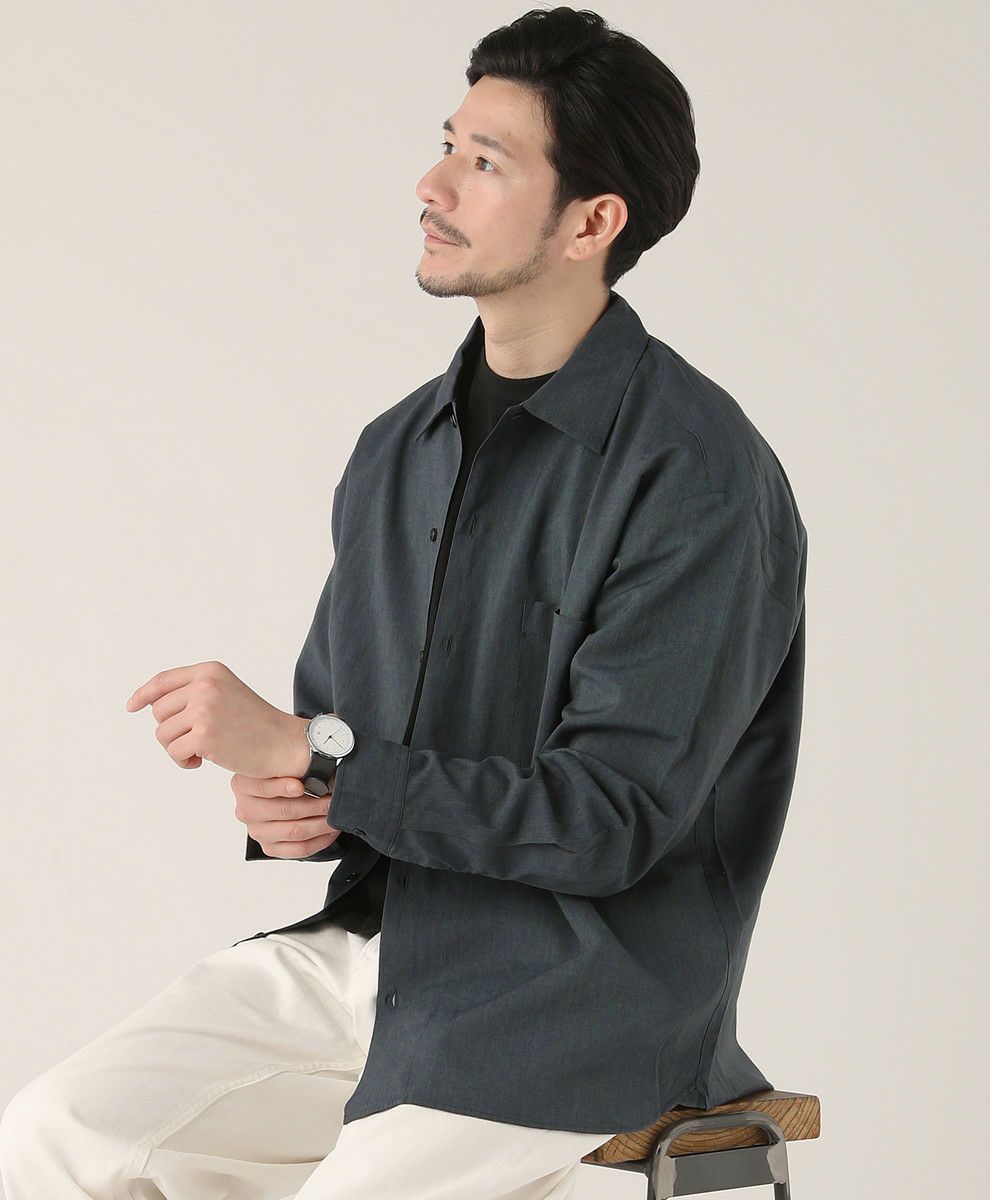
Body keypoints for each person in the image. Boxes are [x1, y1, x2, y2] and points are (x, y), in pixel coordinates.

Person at [0, 7, 808, 1198]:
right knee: (55, 1135)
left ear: (590, 222)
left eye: (486, 162)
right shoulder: (397, 450)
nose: (432, 186)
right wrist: (295, 801)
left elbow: (610, 818)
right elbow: (345, 737)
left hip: (568, 1001)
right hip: (369, 949)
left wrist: (320, 758)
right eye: (446, 145)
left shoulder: (696, 472)